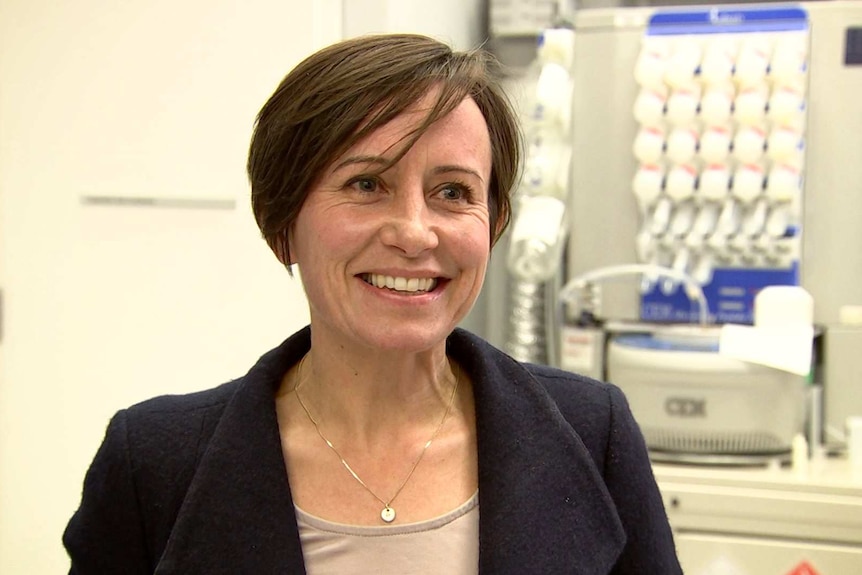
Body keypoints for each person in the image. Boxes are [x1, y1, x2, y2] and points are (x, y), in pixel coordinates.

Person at [63, 33, 682, 574]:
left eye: (452, 191)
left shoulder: (592, 433)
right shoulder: (151, 465)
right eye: (366, 184)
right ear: (283, 223)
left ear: (492, 225)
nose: (414, 233)